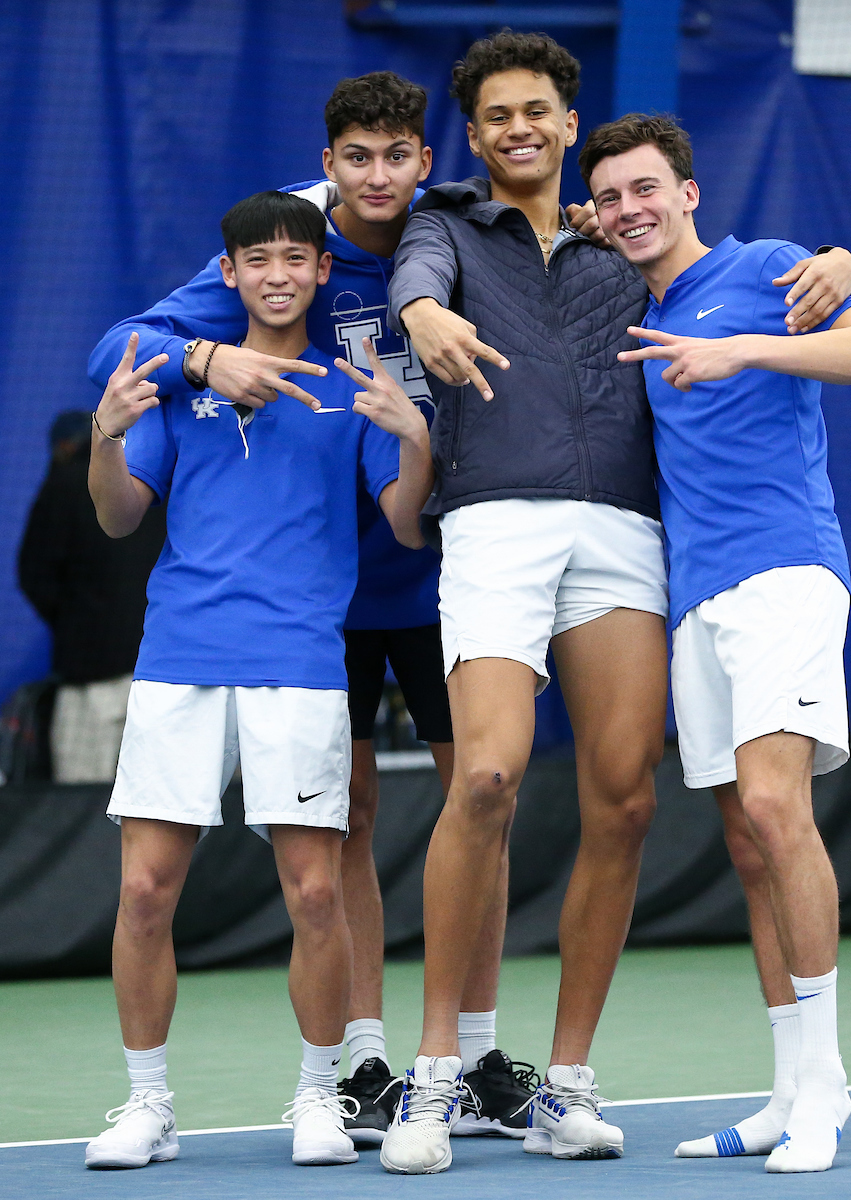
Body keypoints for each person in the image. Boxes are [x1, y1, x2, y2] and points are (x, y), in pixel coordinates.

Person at [378, 31, 851, 1174]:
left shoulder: (620, 245)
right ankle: (436, 1075)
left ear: (564, 119)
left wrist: (838, 260)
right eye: (497, 115)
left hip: (624, 533)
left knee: (627, 801)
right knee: (485, 775)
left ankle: (567, 1083)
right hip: (496, 518)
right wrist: (422, 314)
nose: (519, 128)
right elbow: (412, 275)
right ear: (474, 134)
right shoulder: (444, 224)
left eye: (537, 110)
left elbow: (778, 288)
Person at [87, 71, 541, 1144]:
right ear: (328, 165)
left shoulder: (468, 232)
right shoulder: (272, 253)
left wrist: (415, 441)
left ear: (427, 160)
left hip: (434, 575)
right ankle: (362, 1065)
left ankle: (470, 1054)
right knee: (334, 840)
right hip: (303, 618)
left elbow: (411, 516)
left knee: (481, 796)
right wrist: (199, 361)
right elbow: (120, 354)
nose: (378, 175)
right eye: (357, 157)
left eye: (398, 154)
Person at [581, 112, 851, 1173]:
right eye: (611, 196)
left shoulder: (768, 268)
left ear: (689, 193)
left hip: (786, 573)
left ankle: (827, 1089)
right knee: (744, 841)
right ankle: (785, 1092)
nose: (630, 209)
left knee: (775, 807)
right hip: (695, 601)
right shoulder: (637, 306)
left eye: (647, 189)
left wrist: (746, 347)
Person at [83, 189, 433, 1171]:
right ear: (228, 273)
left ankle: (319, 1096)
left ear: (322, 272)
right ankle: (147, 1105)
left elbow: (408, 525)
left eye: (296, 258)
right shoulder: (176, 379)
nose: (278, 275)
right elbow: (117, 515)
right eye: (258, 260)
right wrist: (107, 433)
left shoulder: (349, 390)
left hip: (302, 667)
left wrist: (415, 437)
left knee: (316, 895)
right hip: (180, 660)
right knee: (144, 890)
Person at [18, 410, 165, 782]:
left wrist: (78, 622)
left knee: (80, 807)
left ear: (65, 448)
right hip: (171, 673)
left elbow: (35, 574)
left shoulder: (64, 483)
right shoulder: (166, 478)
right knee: (173, 805)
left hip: (93, 676)